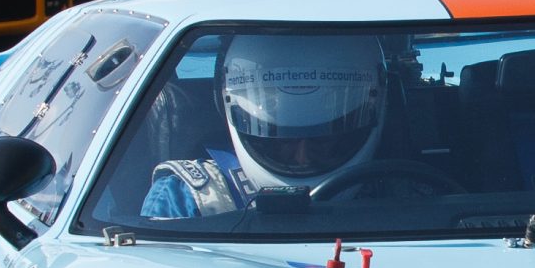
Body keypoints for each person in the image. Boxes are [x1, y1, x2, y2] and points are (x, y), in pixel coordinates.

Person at [140, 35, 385, 216]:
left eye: (322, 140)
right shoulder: (189, 198)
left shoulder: (400, 191)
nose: (303, 157)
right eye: (282, 141)